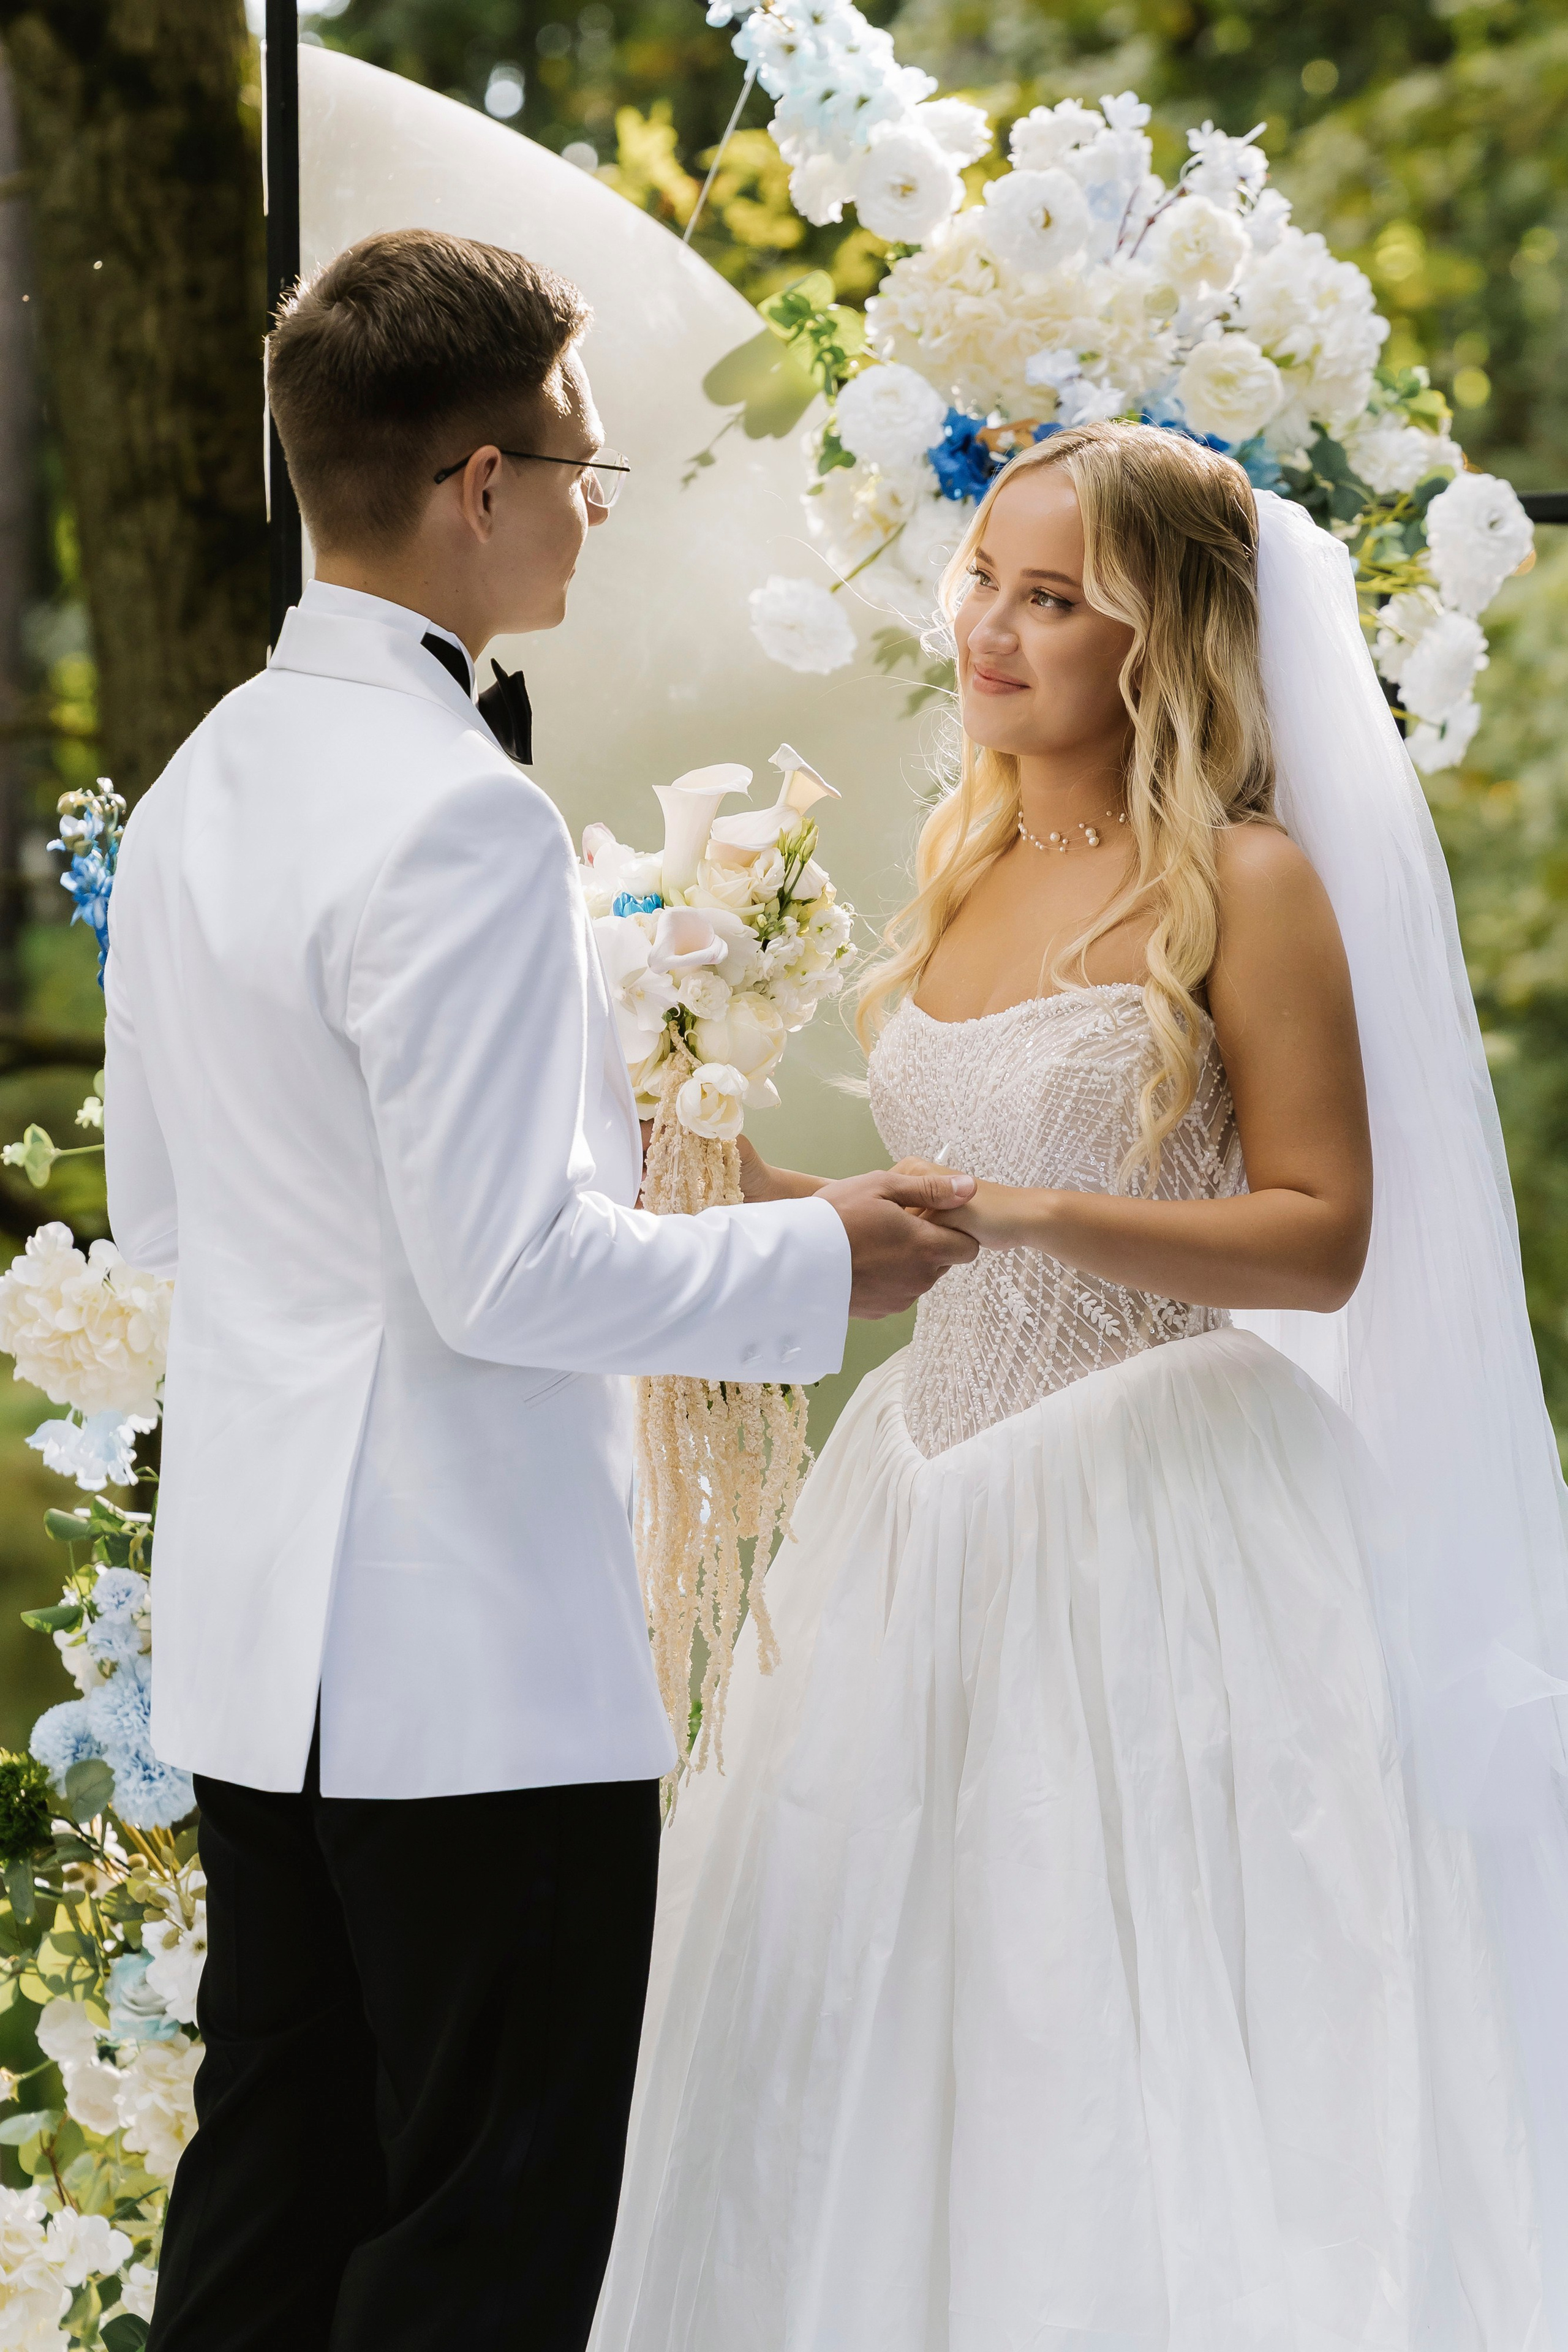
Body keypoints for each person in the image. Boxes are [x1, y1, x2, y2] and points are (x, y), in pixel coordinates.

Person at [592, 422, 1568, 2350]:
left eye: (1056, 599)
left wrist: (1048, 1211)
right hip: (916, 1513)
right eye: (984, 582)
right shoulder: (953, 871)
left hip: (1159, 1515)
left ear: (1165, 640)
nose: (995, 630)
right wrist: (692, 1149)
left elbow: (1321, 1232)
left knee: (1128, 2018)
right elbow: (917, 1223)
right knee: (876, 1996)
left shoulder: (1250, 880)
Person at [102, 225, 977, 2352]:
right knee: (490, 2232)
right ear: (475, 483)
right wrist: (819, 1257)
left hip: (263, 1636)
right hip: (466, 1651)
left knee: (278, 2179)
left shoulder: (213, 774)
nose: (600, 497)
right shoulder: (458, 823)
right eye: (584, 458)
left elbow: (167, 1209)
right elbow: (503, 1276)